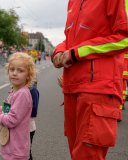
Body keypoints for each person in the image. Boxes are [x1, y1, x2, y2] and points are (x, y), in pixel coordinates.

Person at [52, 1, 128, 159]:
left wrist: (77, 52)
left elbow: (125, 37)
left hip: (98, 87)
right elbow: (71, 39)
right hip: (73, 87)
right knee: (77, 154)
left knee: (87, 156)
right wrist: (59, 51)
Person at [0, 52, 36, 160]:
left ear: (29, 75)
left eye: (20, 71)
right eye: (12, 69)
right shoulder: (15, 91)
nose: (15, 73)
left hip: (17, 149)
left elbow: (11, 119)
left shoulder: (22, 94)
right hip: (12, 146)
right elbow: (8, 110)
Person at [29, 79, 39, 160]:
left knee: (25, 154)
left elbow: (34, 111)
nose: (15, 74)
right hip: (15, 127)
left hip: (27, 129)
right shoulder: (14, 88)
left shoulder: (32, 89)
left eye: (20, 71)